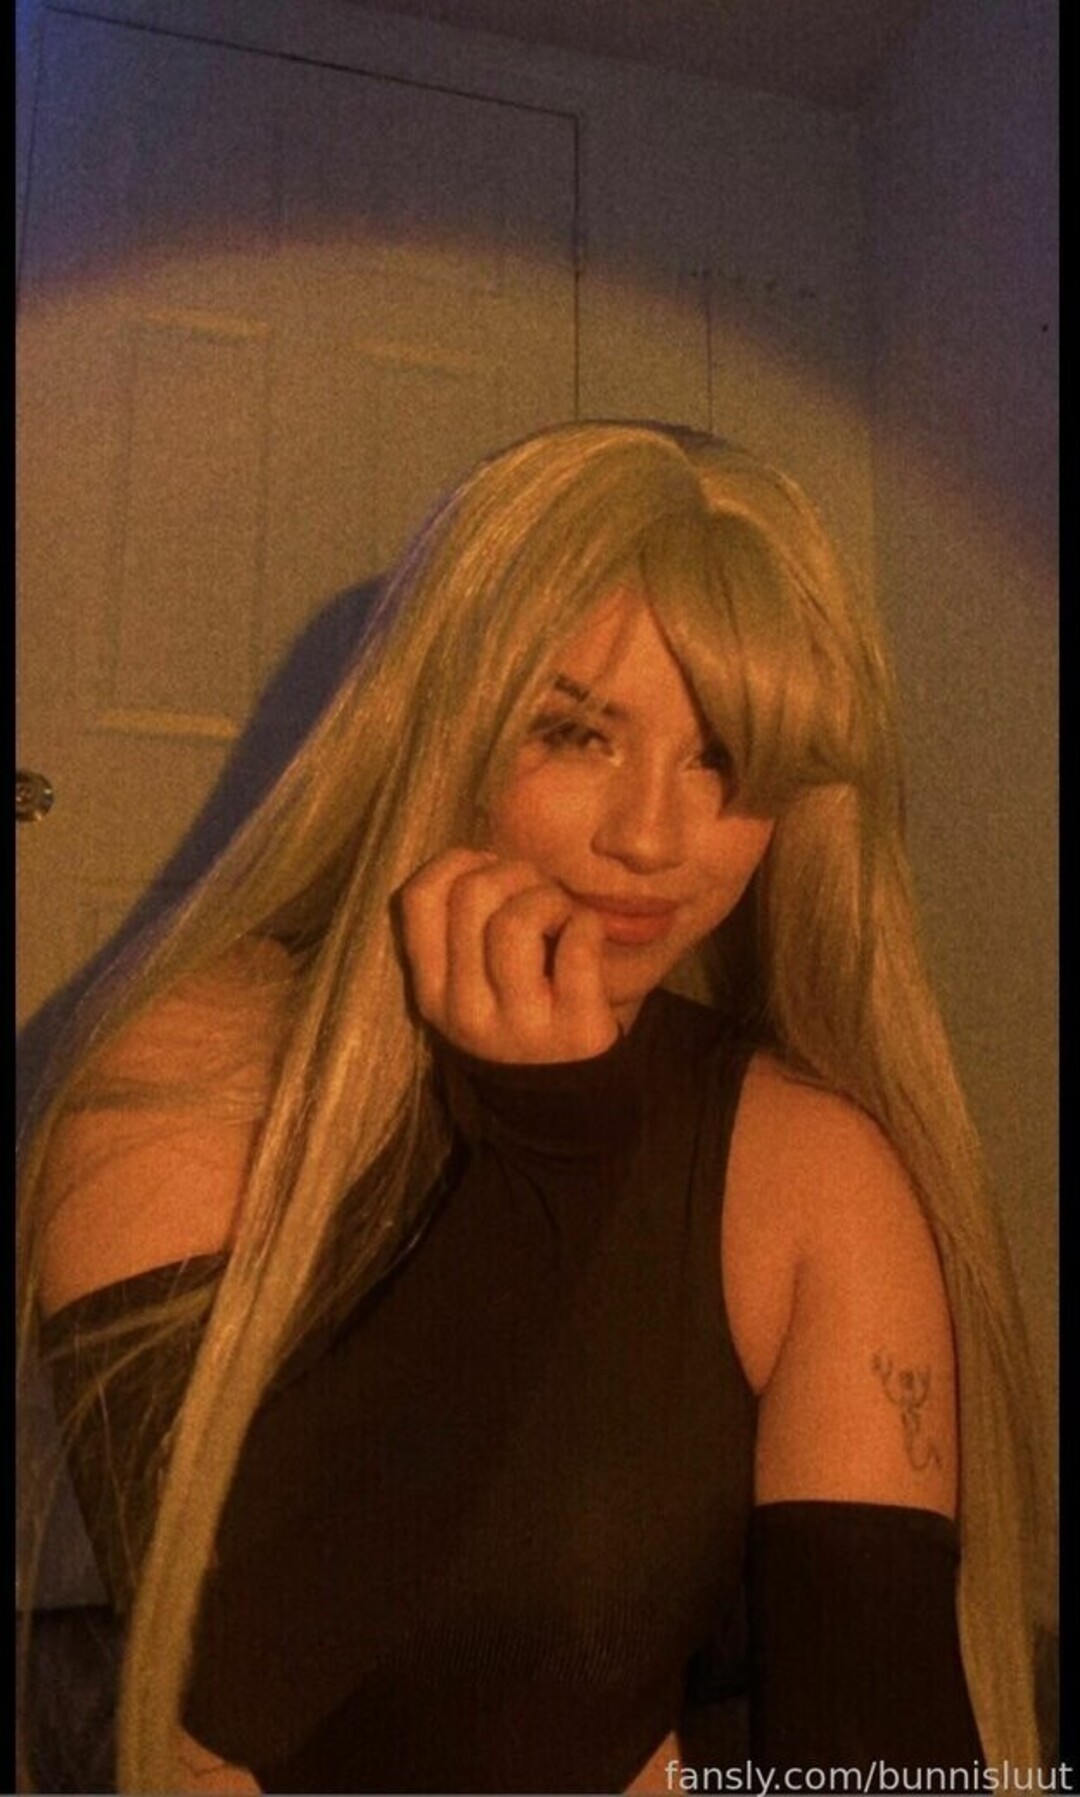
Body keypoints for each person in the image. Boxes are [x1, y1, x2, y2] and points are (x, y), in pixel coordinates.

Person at [17, 421, 1052, 1794]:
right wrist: (545, 1165)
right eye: (577, 733)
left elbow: (881, 1762)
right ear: (436, 724)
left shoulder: (809, 1166)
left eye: (723, 758)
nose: (653, 837)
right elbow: (235, 1705)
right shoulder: (188, 1079)